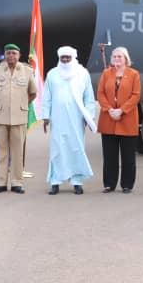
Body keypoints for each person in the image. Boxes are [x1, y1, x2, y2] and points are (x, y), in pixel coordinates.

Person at [42, 46, 96, 195]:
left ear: (73, 58)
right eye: (62, 57)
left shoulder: (82, 73)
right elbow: (47, 97)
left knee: (76, 148)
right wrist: (45, 116)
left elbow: (89, 97)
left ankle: (77, 182)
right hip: (57, 118)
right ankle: (55, 182)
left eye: (68, 57)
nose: (65, 60)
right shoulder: (52, 74)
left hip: (76, 118)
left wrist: (89, 116)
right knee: (57, 150)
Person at [0, 44, 37, 194]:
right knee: (2, 152)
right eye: (8, 53)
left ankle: (17, 182)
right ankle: (1, 182)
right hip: (0, 116)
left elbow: (33, 93)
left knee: (17, 152)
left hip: (19, 117)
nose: (11, 56)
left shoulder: (27, 71)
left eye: (14, 53)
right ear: (5, 55)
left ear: (19, 55)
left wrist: (21, 104)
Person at [96, 46, 140, 193]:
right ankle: (109, 183)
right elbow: (100, 93)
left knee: (128, 156)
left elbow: (136, 95)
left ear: (126, 59)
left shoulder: (134, 74)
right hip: (108, 119)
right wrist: (109, 109)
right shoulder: (106, 73)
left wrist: (121, 110)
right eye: (114, 57)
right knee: (109, 155)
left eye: (119, 56)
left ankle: (127, 184)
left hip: (127, 119)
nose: (117, 59)